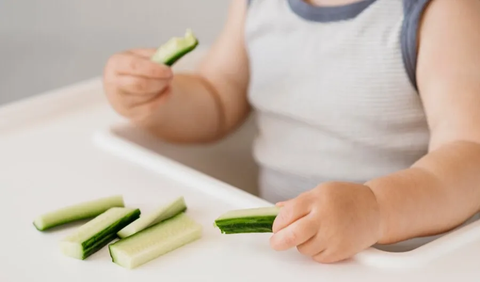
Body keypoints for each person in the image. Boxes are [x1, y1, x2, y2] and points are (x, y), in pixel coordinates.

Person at [102, 0, 480, 263]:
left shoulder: (443, 12)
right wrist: (157, 100)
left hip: (400, 258)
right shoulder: (260, 5)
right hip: (280, 251)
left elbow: (469, 153)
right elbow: (217, 98)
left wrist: (376, 209)